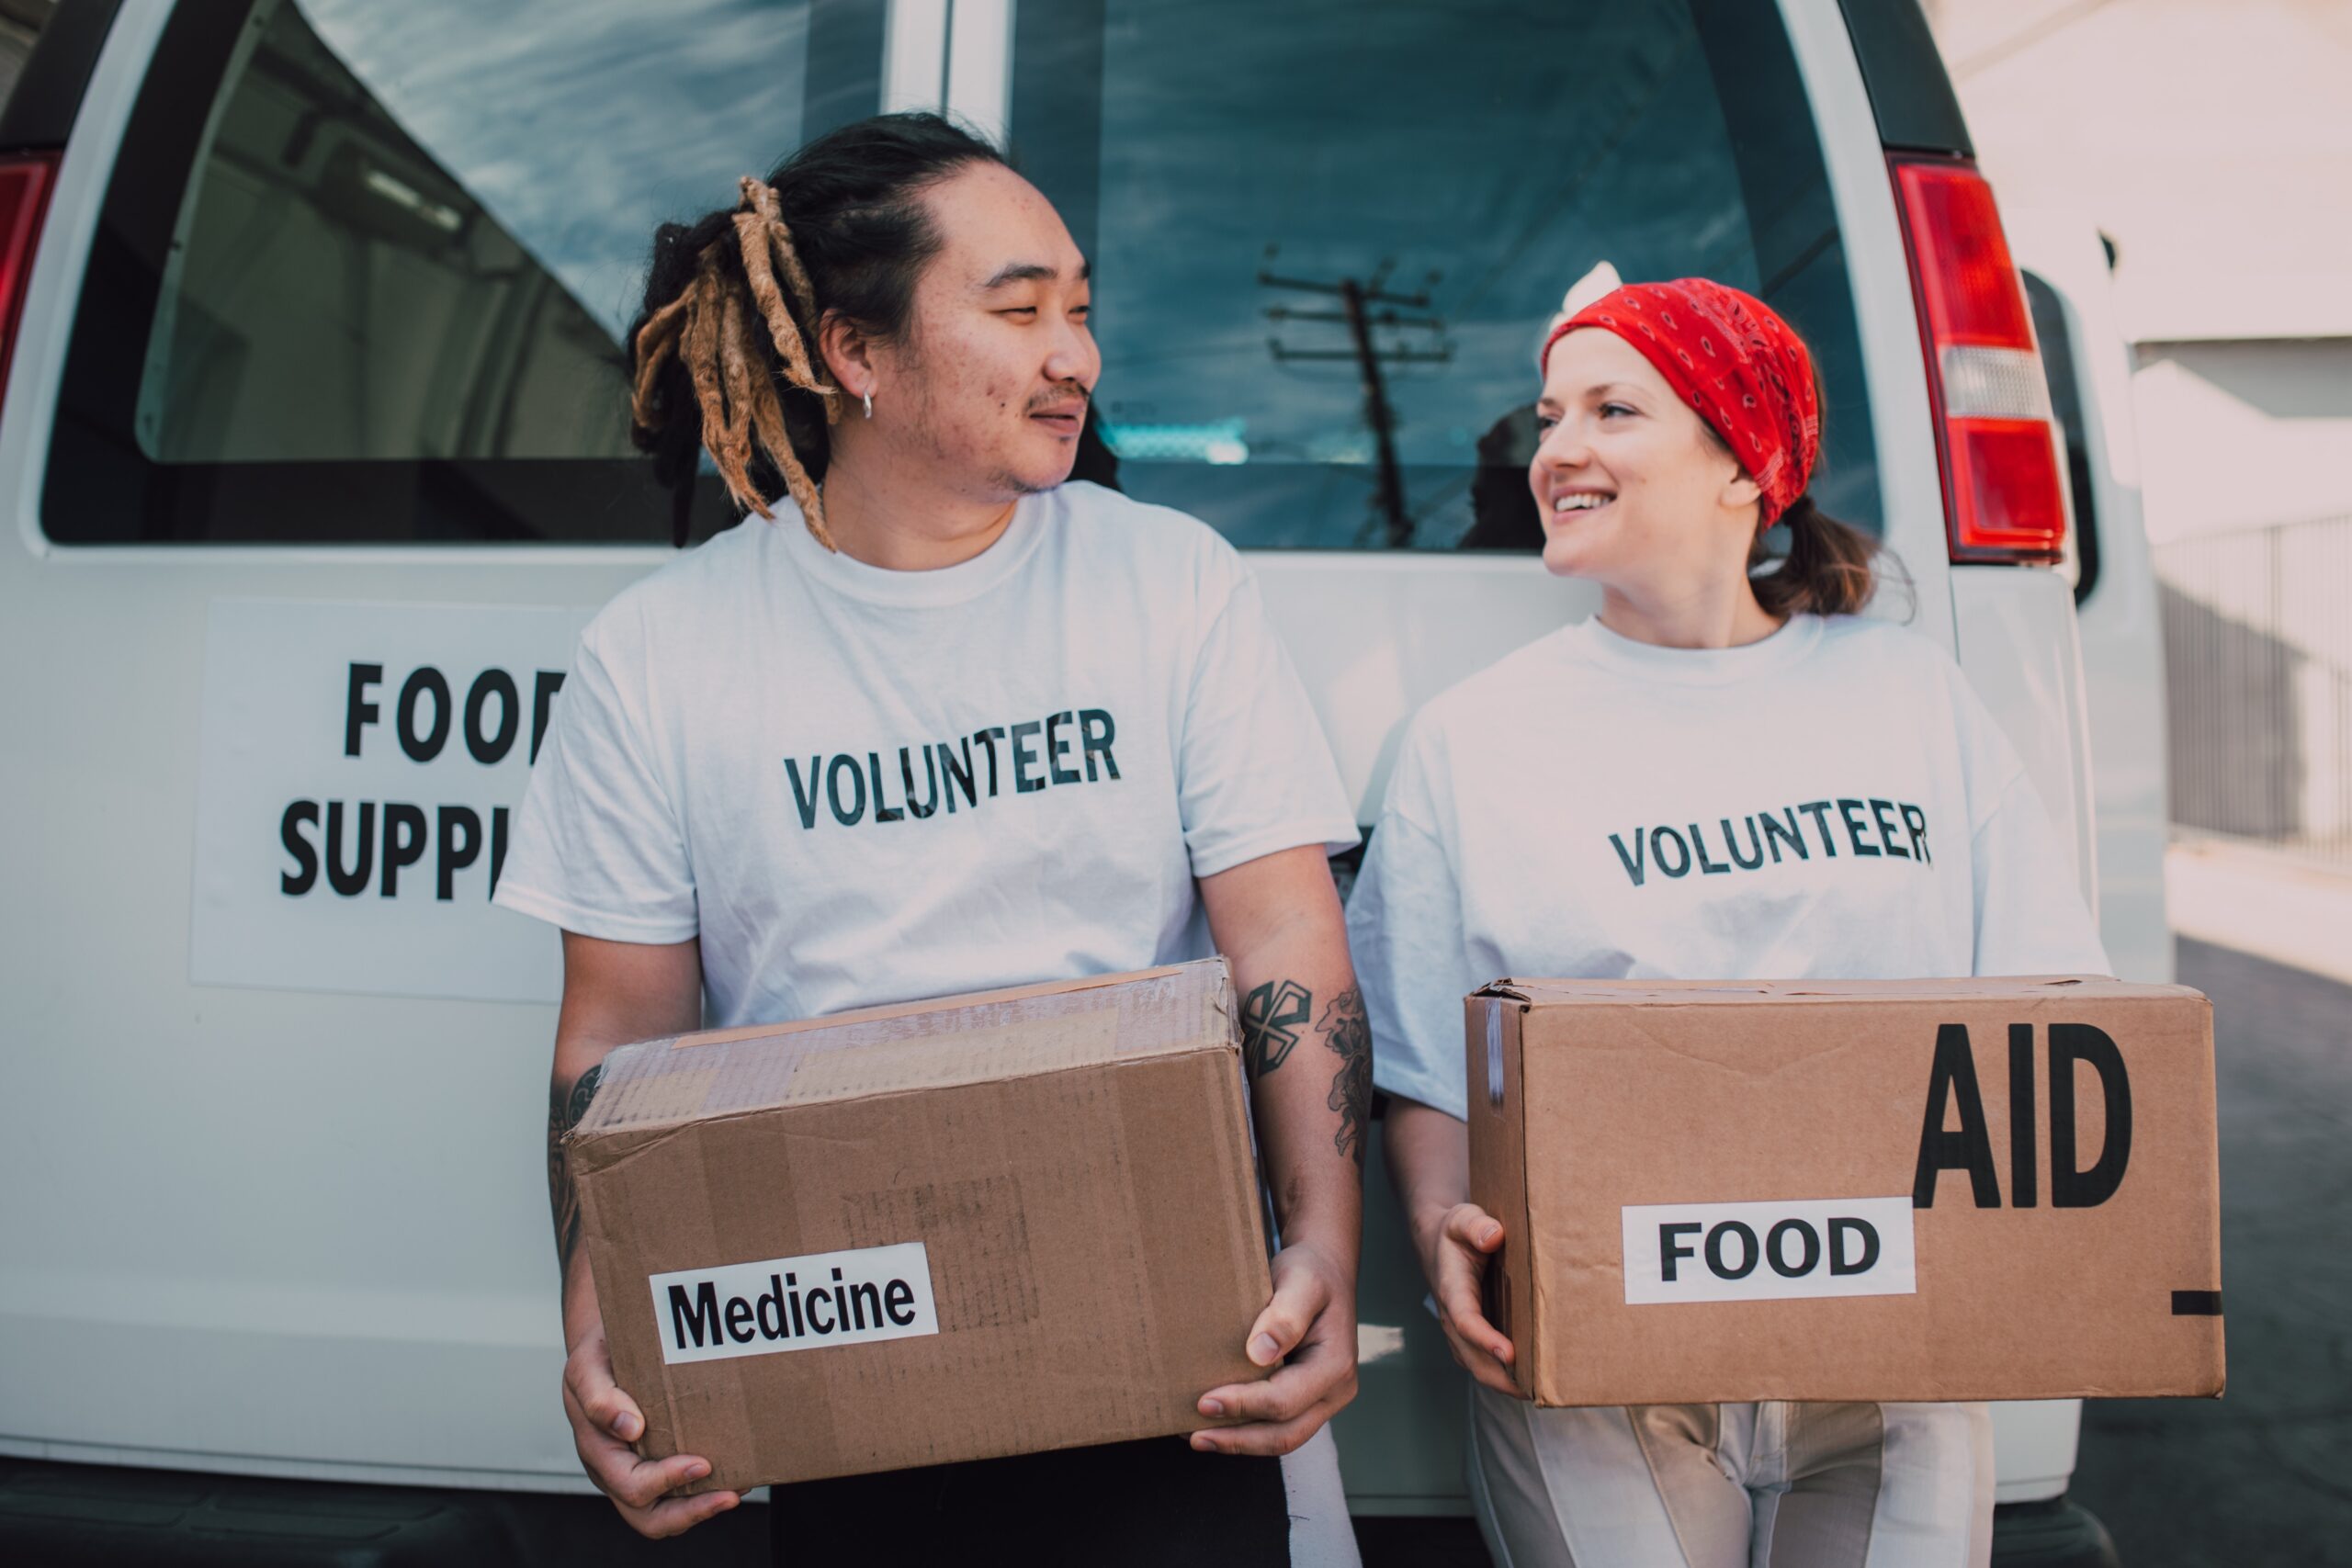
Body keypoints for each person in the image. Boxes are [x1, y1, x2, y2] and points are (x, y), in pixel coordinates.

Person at [498, 113, 1367, 1567]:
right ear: (854, 352)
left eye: (1079, 310)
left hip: (1168, 1330)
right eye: (1020, 310)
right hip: (836, 1330)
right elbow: (617, 1037)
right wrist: (600, 1329)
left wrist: (1324, 1246)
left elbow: (1281, 930)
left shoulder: (1170, 584)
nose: (1075, 355)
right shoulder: (661, 652)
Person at [1350, 276, 2110, 1568]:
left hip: (1892, 1351)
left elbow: (2047, 1008)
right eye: (1549, 418)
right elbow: (1422, 1062)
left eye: (1613, 409)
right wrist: (1438, 1235)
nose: (1559, 452)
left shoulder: (1908, 698)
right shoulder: (1472, 740)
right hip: (1601, 1361)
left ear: (1742, 465)